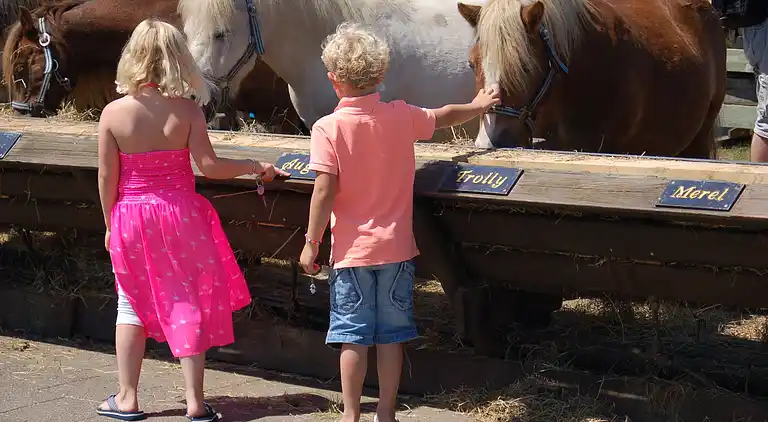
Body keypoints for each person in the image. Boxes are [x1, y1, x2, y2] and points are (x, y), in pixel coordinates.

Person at [298, 22, 500, 422]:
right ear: (381, 74)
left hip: (351, 254)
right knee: (392, 337)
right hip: (396, 250)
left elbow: (324, 191)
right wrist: (478, 106)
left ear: (333, 80)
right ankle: (387, 411)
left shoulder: (327, 128)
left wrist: (311, 241)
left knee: (352, 337)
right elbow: (443, 117)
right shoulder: (401, 116)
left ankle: (351, 413)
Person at [96, 18, 288, 422]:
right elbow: (209, 166)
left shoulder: (113, 114)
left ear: (131, 58)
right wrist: (255, 165)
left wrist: (111, 223)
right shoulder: (187, 111)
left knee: (129, 304)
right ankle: (196, 403)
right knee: (186, 299)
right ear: (179, 60)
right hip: (181, 214)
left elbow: (106, 177)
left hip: (130, 214)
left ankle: (128, 399)